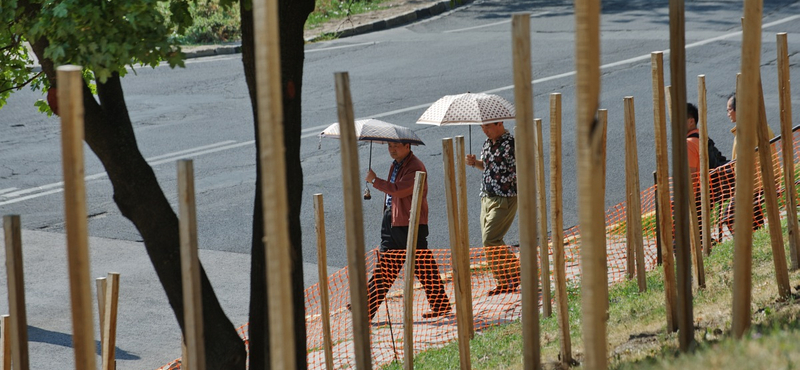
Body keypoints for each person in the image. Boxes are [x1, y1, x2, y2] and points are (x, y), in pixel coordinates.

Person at [363, 141, 451, 321]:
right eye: (389, 146)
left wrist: (375, 181)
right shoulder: (396, 164)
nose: (392, 150)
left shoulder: (415, 167)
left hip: (410, 222)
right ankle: (365, 307)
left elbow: (399, 190)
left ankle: (440, 305)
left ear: (407, 146)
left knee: (422, 265)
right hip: (393, 219)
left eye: (396, 146)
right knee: (387, 264)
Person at [466, 121, 521, 296]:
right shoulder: (488, 144)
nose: (485, 131)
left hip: (506, 196)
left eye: (488, 127)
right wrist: (475, 163)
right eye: (482, 127)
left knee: (491, 238)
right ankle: (504, 281)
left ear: (500, 123)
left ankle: (516, 272)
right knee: (488, 243)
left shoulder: (511, 143)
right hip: (487, 196)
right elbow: (488, 167)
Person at [720, 93, 779, 233]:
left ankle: (751, 243)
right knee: (753, 215)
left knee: (730, 216)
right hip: (758, 182)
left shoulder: (747, 130)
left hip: (754, 184)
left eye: (729, 109)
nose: (728, 113)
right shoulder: (752, 125)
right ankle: (756, 237)